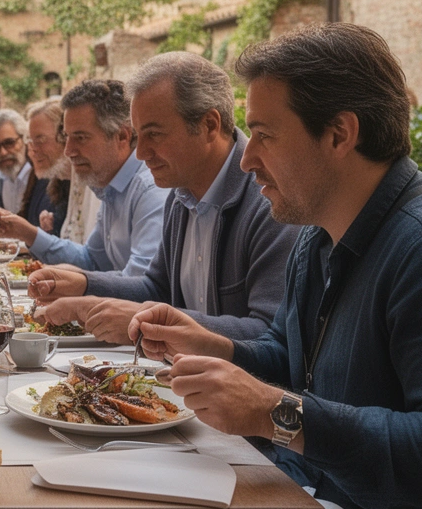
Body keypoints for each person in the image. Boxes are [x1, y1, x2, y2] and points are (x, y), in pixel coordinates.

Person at [121, 23, 422, 509]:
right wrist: (216, 346)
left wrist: (273, 413)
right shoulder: (319, 238)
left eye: (264, 134)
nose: (246, 158)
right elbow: (293, 358)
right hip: (335, 506)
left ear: (339, 133)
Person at [29, 52, 296, 344]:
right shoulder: (181, 194)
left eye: (154, 134)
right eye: (139, 135)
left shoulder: (269, 201)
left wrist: (148, 322)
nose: (140, 153)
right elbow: (156, 288)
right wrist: (84, 285)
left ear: (209, 125)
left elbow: (268, 335)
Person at [0, 80, 168, 276]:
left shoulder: (150, 190)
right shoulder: (112, 186)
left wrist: (82, 285)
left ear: (122, 136)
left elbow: (142, 285)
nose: (68, 150)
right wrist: (27, 232)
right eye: (66, 137)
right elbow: (90, 260)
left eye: (80, 138)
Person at [24, 98, 85, 239]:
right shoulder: (58, 182)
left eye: (40, 140)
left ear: (65, 136)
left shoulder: (91, 182)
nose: (33, 149)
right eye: (30, 141)